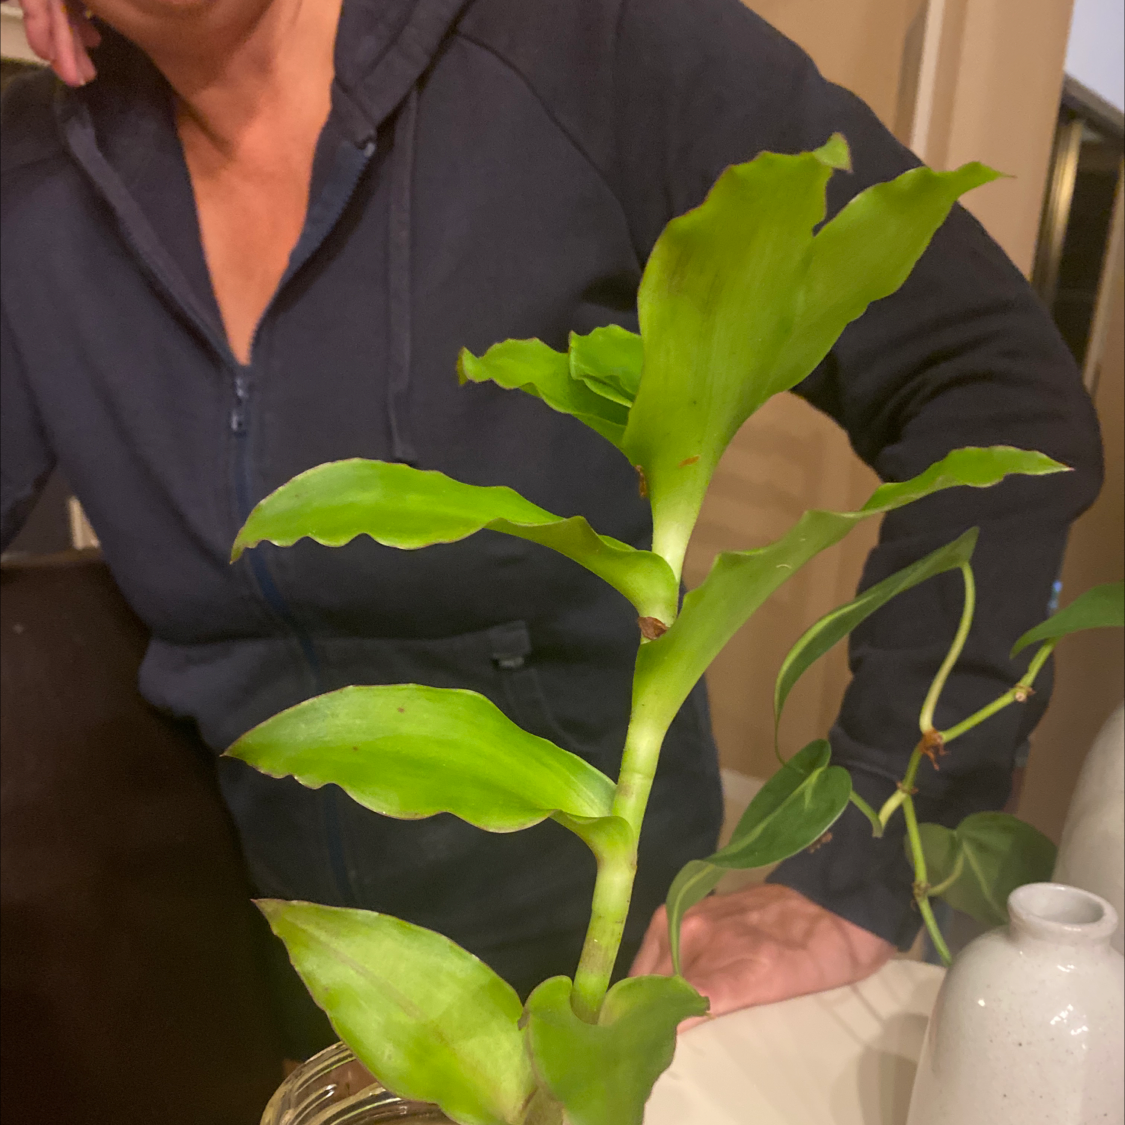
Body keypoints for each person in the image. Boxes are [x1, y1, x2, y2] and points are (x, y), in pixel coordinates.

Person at [3, 0, 1101, 1058]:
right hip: (284, 987)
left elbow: (992, 388)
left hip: (601, 991)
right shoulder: (34, 182)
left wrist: (866, 849)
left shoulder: (590, 42)